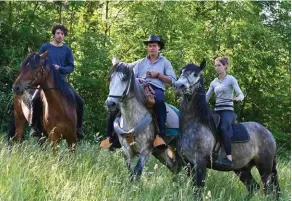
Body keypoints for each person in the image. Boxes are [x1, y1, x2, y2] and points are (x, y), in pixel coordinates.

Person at [100, 34, 176, 149]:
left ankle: (160, 136)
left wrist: (158, 75)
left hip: (156, 89)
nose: (151, 48)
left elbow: (172, 80)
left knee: (159, 102)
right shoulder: (140, 62)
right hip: (139, 88)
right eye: (150, 46)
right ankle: (110, 138)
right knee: (118, 105)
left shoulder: (165, 62)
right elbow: (131, 74)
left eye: (154, 46)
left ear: (159, 48)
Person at [29, 25, 84, 140]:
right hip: (45, 82)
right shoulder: (45, 47)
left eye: (62, 34)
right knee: (34, 99)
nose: (60, 36)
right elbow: (39, 63)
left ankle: (78, 128)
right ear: (54, 34)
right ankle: (34, 127)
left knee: (80, 101)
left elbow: (71, 67)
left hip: (61, 82)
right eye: (58, 33)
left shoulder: (67, 49)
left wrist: (60, 68)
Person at [206, 57, 244, 167]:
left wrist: (239, 98)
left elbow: (240, 94)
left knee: (223, 128)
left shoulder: (231, 79)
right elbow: (206, 97)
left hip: (228, 111)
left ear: (225, 66)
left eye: (219, 65)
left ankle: (229, 157)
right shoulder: (214, 82)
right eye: (215, 66)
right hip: (217, 111)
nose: (217, 68)